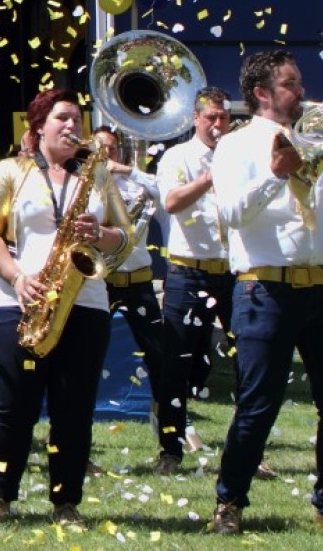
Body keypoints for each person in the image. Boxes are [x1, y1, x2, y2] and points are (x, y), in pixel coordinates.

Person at [209, 52, 323, 537]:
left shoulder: (320, 137)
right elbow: (231, 214)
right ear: (262, 93)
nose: (302, 91)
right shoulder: (235, 145)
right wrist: (275, 173)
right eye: (290, 84)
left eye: (300, 82)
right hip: (264, 287)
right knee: (258, 405)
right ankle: (229, 502)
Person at [0, 89, 136, 527]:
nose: (72, 125)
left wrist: (99, 234)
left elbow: (125, 237)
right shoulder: (13, 170)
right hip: (21, 302)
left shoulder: (96, 174)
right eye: (62, 118)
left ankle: (66, 502)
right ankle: (0, 496)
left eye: (77, 119)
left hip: (85, 303)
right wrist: (16, 276)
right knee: (12, 406)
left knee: (74, 408)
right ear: (39, 126)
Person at [91, 124, 186, 473]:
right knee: (84, 363)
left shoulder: (136, 184)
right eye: (100, 148)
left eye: (112, 148)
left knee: (164, 364)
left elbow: (167, 193)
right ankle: (77, 449)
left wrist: (128, 171)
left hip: (139, 282)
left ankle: (171, 450)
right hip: (99, 282)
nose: (107, 154)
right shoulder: (88, 188)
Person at [155, 87, 234, 458]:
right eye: (211, 117)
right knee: (176, 362)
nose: (218, 124)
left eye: (224, 117)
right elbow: (172, 202)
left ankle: (248, 448)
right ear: (196, 119)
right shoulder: (178, 156)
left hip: (233, 271)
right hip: (188, 271)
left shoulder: (238, 154)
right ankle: (171, 449)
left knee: (249, 358)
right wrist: (208, 178)